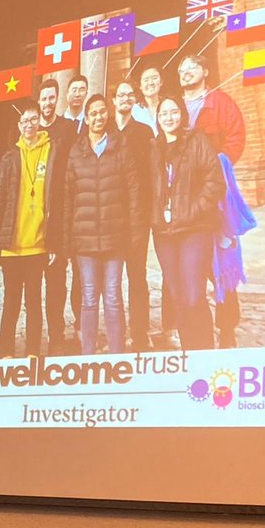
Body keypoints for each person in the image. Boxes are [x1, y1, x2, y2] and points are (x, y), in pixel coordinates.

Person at [178, 52, 252, 348]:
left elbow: (236, 136)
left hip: (217, 195)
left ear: (204, 71)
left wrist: (220, 164)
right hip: (185, 196)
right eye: (182, 69)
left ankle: (227, 328)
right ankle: (197, 331)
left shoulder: (220, 103)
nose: (185, 73)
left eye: (192, 67)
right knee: (193, 262)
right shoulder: (176, 108)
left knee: (222, 261)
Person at [61, 94, 142, 355]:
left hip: (115, 238)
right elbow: (68, 199)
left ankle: (116, 354)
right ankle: (88, 356)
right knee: (88, 298)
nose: (98, 117)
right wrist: (66, 239)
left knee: (113, 297)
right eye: (92, 113)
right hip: (84, 241)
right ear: (86, 118)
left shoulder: (121, 147)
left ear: (107, 115)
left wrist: (135, 234)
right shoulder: (77, 151)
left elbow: (134, 193)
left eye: (101, 112)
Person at [151, 95, 225, 350]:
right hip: (165, 233)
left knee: (194, 295)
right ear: (158, 119)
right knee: (178, 297)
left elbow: (215, 183)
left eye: (173, 112)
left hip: (194, 228)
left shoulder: (197, 142)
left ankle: (204, 352)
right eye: (163, 114)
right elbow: (147, 188)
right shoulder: (154, 148)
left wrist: (193, 211)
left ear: (181, 115)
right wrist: (155, 216)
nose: (169, 118)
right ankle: (188, 354)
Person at [0, 108, 58, 358]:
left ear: (39, 122)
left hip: (38, 242)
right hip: (12, 245)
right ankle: (4, 348)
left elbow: (58, 196)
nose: (29, 124)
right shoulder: (10, 157)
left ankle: (32, 351)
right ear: (18, 125)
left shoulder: (51, 151)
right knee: (11, 300)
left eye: (33, 119)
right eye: (24, 120)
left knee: (33, 301)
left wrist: (54, 241)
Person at [113, 81, 158, 351]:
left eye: (130, 95)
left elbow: (151, 175)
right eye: (121, 95)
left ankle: (140, 332)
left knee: (137, 277)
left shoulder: (143, 132)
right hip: (110, 216)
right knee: (111, 278)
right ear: (114, 100)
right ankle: (118, 333)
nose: (125, 99)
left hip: (137, 215)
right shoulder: (104, 130)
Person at [39, 78, 80, 353]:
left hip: (59, 217)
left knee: (57, 282)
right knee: (31, 286)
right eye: (43, 98)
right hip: (31, 218)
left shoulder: (67, 129)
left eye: (52, 97)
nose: (47, 103)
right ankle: (33, 337)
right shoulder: (30, 129)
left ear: (57, 99)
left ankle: (56, 337)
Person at [132, 66, 163, 134]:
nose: (150, 83)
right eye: (146, 80)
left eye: (154, 78)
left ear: (161, 82)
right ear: (140, 85)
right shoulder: (134, 110)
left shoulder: (167, 106)